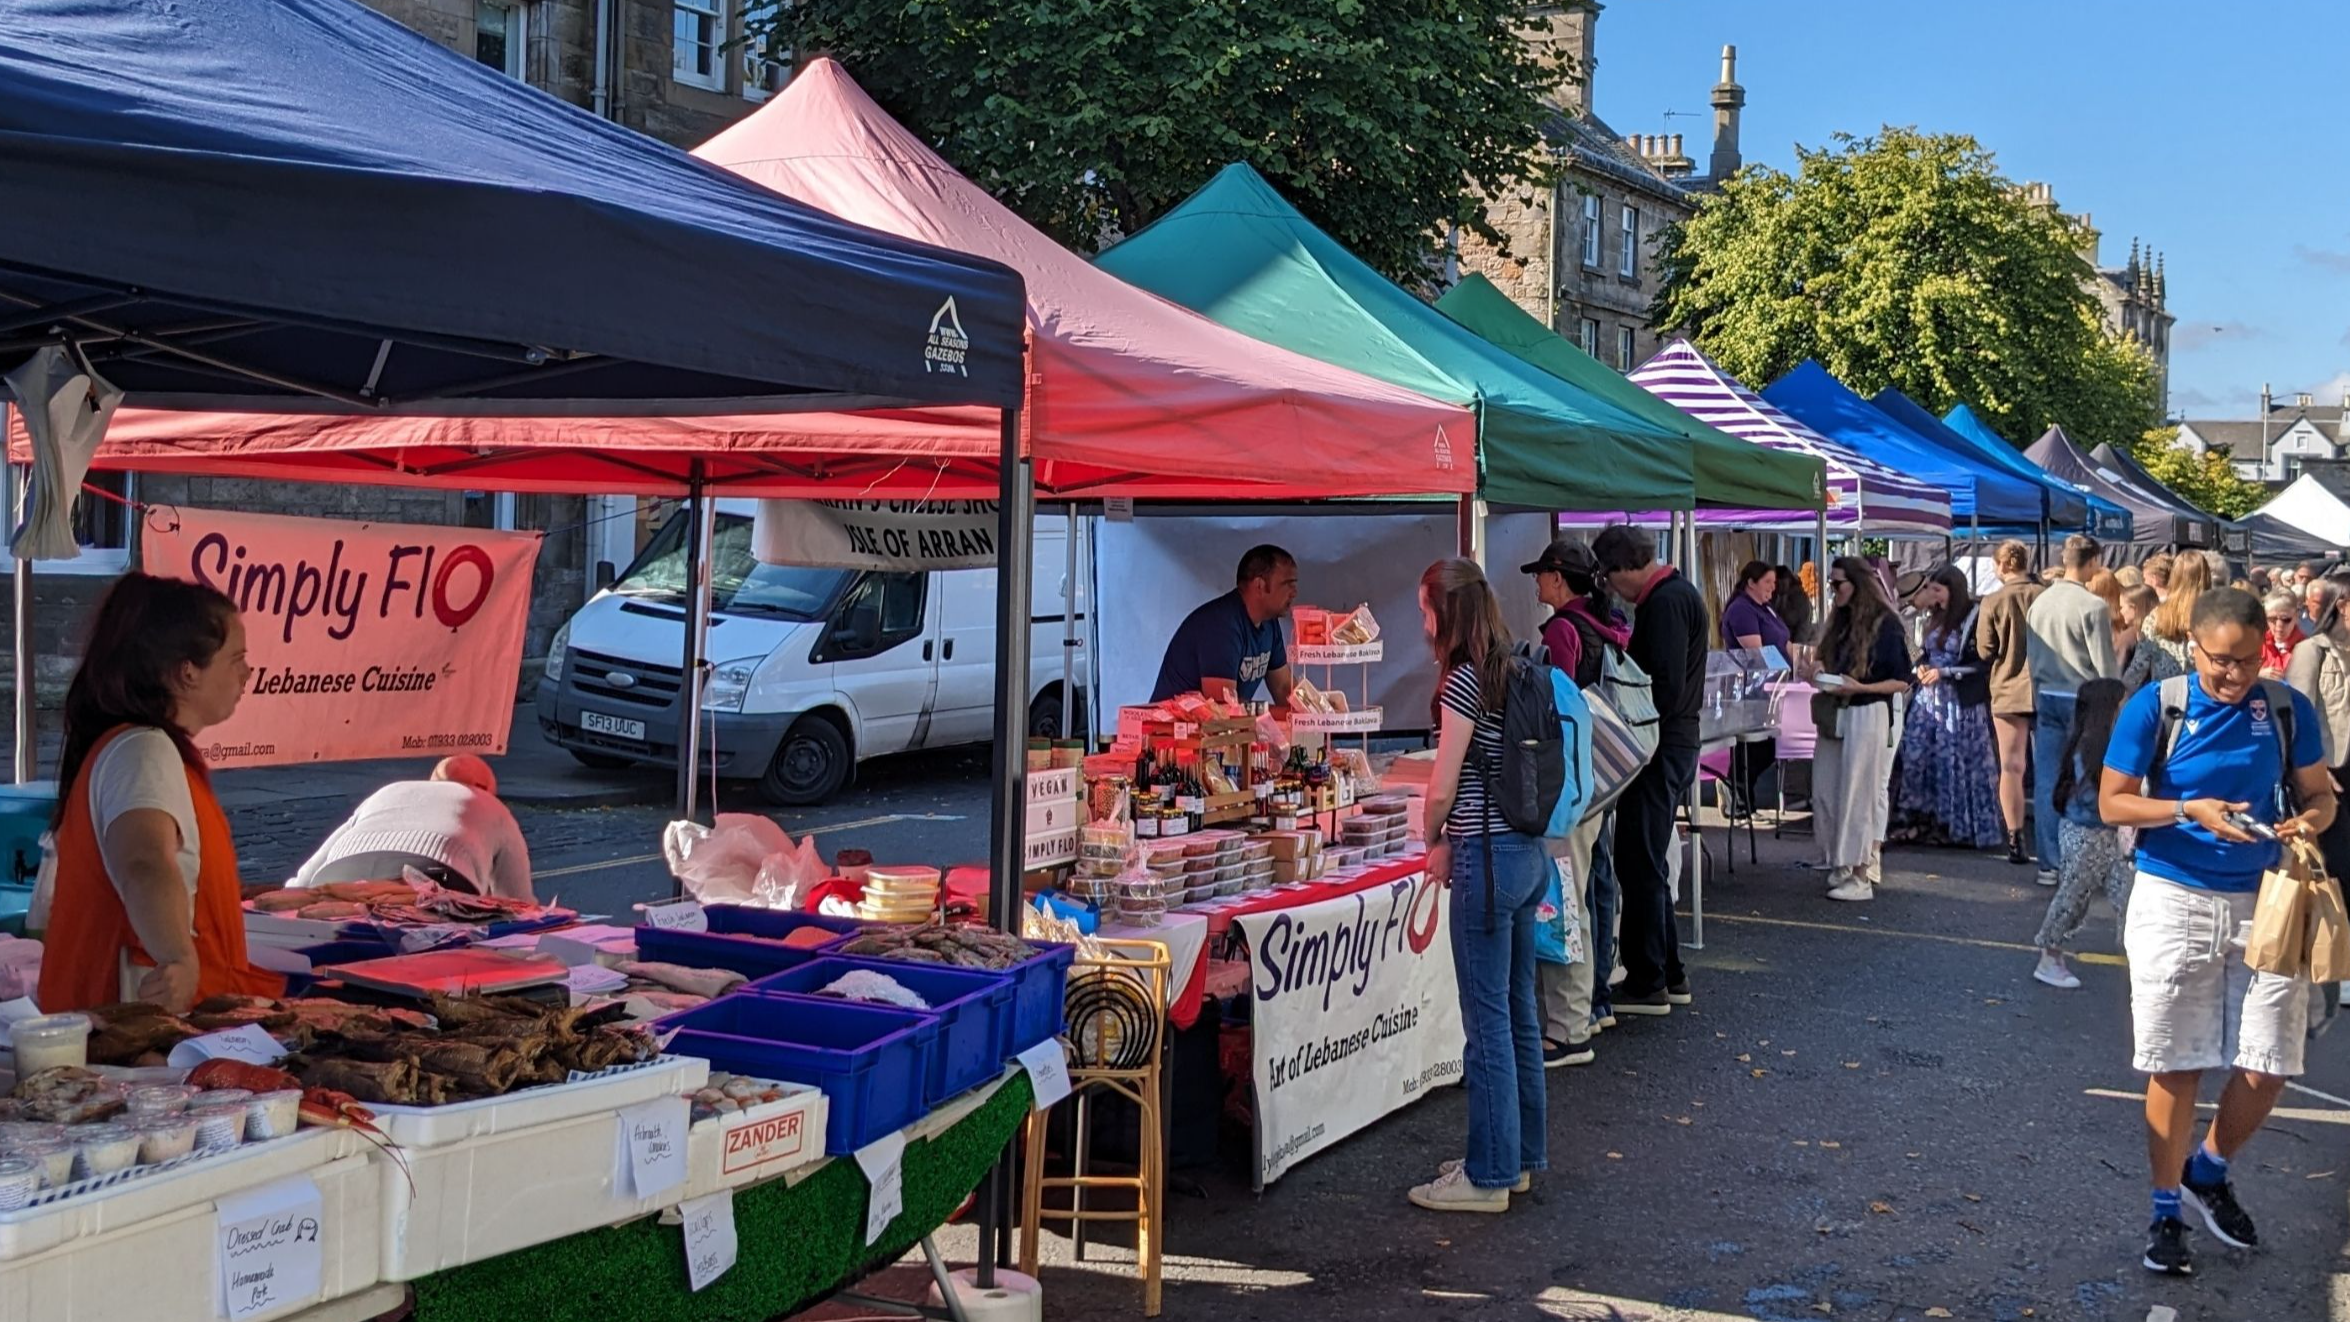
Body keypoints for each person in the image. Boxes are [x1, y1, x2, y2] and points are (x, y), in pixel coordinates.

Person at [2100, 587, 2335, 1277]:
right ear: (2193, 647)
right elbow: (2114, 799)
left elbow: (2319, 792)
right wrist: (2186, 809)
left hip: (2265, 899)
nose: (2231, 675)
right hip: (2173, 894)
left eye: (2244, 660)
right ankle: (2165, 1207)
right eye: (2216, 661)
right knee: (2177, 1061)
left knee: (2268, 1063)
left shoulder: (2285, 708)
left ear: (2265, 646)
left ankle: (2209, 1167)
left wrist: (2308, 821)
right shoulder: (2159, 704)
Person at [35, 574, 284, 1014]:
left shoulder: (137, 746)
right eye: (235, 659)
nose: (247, 672)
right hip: (131, 1029)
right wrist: (178, 957)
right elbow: (143, 862)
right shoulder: (143, 749)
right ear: (187, 672)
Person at [1410, 559, 1546, 1212]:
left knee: (1485, 1020)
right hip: (1525, 855)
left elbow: (1441, 785)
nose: (1423, 624)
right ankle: (1517, 1156)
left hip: (1484, 858)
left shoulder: (1465, 682)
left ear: (1449, 613)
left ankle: (1487, 1174)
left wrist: (1432, 838)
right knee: (1517, 1012)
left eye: (1426, 611)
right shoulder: (1514, 666)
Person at [1521, 537, 1628, 1065]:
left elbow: (1554, 706)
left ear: (1559, 578)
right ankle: (1592, 1006)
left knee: (1563, 903)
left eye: (1540, 575)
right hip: (1599, 780)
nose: (1535, 584)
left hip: (1565, 786)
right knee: (1589, 891)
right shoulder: (1607, 624)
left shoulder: (1564, 630)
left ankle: (1566, 1028)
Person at [1592, 525, 1706, 1015]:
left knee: (1638, 858)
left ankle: (1648, 977)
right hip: (1674, 742)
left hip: (1660, 743)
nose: (1613, 591)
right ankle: (1667, 970)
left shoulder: (1665, 603)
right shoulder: (1679, 596)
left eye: (1611, 579)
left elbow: (1663, 685)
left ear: (1623, 570)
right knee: (1648, 857)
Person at [1804, 557, 1917, 901]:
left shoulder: (1886, 626)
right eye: (1832, 585)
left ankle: (1860, 874)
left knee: (1859, 795)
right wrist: (1817, 670)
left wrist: (1860, 688)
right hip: (1837, 711)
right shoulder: (1839, 621)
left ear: (1856, 585)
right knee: (1825, 792)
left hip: (1868, 712)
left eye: (1838, 584)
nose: (1833, 590)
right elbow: (1827, 661)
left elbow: (1901, 681)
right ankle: (1840, 862)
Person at [290, 756, 535, 900]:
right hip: (435, 878)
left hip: (337, 872)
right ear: (487, 789)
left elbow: (303, 879)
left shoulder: (389, 790)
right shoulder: (492, 806)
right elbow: (518, 904)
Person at [2025, 535, 2120, 886]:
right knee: (2085, 780)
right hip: (2084, 697)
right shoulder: (2093, 606)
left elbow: (2032, 655)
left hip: (2047, 692)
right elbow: (2104, 666)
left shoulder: (2040, 603)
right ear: (2092, 561)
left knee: (2049, 778)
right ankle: (2079, 863)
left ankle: (2049, 863)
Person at [2030, 679, 2133, 989]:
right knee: (2073, 896)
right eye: (2122, 705)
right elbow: (2091, 799)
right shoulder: (2091, 747)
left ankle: (2140, 958)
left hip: (2108, 834)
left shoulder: (2108, 742)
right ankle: (2049, 955)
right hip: (2086, 833)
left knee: (2128, 896)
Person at [1891, 565, 2000, 848]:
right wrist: (1922, 666)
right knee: (1916, 757)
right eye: (1932, 590)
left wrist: (1946, 673)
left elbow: (1983, 661)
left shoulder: (1974, 617)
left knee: (1954, 763)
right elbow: (1926, 652)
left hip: (1958, 703)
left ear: (1954, 590)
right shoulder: (1934, 618)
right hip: (1930, 698)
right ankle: (1920, 819)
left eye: (1938, 591)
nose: (1934, 597)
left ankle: (1952, 825)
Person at [2287, 579, 2350, 1034]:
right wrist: (2314, 766)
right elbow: (2298, 710)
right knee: (2333, 870)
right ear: (2343, 607)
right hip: (2330, 771)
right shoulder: (2314, 651)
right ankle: (2335, 968)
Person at [1151, 545, 1298, 705]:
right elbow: (1223, 706)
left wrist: (1317, 715)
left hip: (1216, 727)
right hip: (1172, 727)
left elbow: (1283, 688)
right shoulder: (1220, 626)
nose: (1294, 592)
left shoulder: (1269, 624)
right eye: (1287, 584)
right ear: (1259, 585)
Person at [1976, 540, 2046, 868]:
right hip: (2047, 687)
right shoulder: (2046, 595)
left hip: (2007, 689)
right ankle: (2050, 841)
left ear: (2003, 565)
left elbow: (1984, 650)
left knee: (2011, 767)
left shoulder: (1993, 601)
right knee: (2049, 767)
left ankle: (2015, 838)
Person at [1719, 561, 1788, 818]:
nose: (1773, 587)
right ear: (1751, 583)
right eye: (1768, 582)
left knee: (1768, 743)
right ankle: (1735, 791)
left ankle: (1740, 792)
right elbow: (1757, 653)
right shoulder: (1741, 611)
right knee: (1755, 744)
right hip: (1752, 688)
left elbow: (1785, 641)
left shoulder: (1766, 609)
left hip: (1773, 687)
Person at [2124, 549, 2212, 693]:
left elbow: (2139, 667)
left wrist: (2121, 695)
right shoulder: (2215, 616)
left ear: (2174, 578)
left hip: (2167, 696)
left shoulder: (2155, 617)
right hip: (2204, 696)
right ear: (2206, 577)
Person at [2259, 590, 2304, 681]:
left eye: (2286, 619)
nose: (2279, 625)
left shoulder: (2305, 647)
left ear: (2296, 617)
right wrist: (2259, 674)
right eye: (2272, 619)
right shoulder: (2258, 642)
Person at [2116, 585, 2158, 677]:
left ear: (2133, 608)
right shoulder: (2165, 628)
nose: (2120, 612)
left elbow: (2119, 671)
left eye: (2122, 607)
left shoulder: (2128, 638)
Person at [1772, 563, 1816, 646]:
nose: (1777, 586)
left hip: (1793, 642)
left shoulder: (1799, 598)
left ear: (1788, 580)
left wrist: (1795, 648)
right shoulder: (1775, 595)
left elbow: (1803, 627)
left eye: (1779, 583)